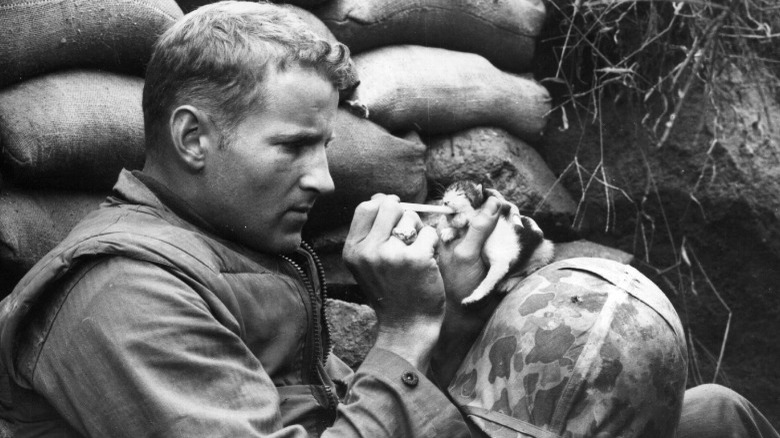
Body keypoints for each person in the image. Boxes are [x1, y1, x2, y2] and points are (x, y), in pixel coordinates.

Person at [0, 2, 776, 437]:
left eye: (327, 145)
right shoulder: (122, 296)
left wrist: (454, 317)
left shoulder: (238, 251)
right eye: (295, 146)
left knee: (716, 419)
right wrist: (403, 330)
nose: (325, 176)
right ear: (194, 138)